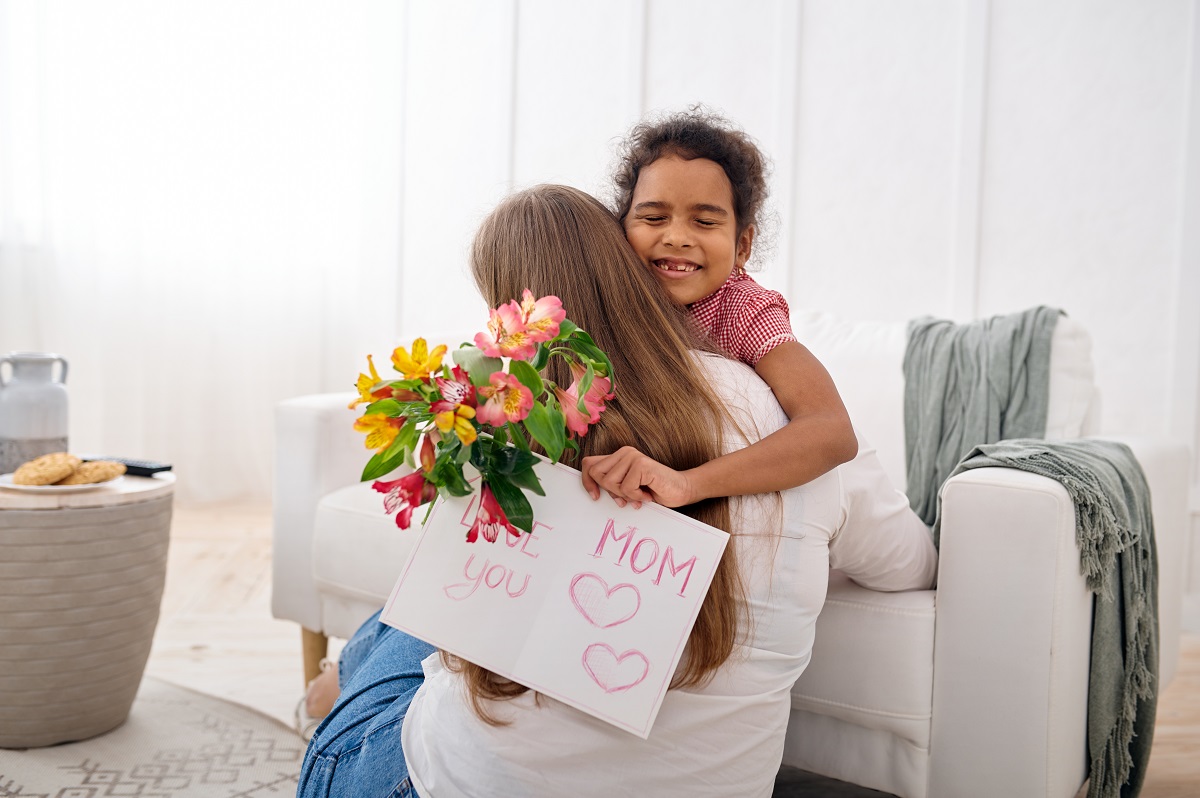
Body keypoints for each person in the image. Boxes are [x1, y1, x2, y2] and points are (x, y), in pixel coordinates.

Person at [297, 185, 937, 798]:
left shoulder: (505, 423)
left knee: (403, 623)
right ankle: (337, 680)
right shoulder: (807, 439)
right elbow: (912, 565)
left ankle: (328, 688)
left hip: (442, 783)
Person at [582, 108, 858, 511]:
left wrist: (688, 485)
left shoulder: (742, 309)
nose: (676, 237)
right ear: (620, 230)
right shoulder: (612, 301)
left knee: (910, 567)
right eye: (654, 217)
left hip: (843, 485)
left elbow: (833, 432)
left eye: (705, 222)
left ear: (742, 246)